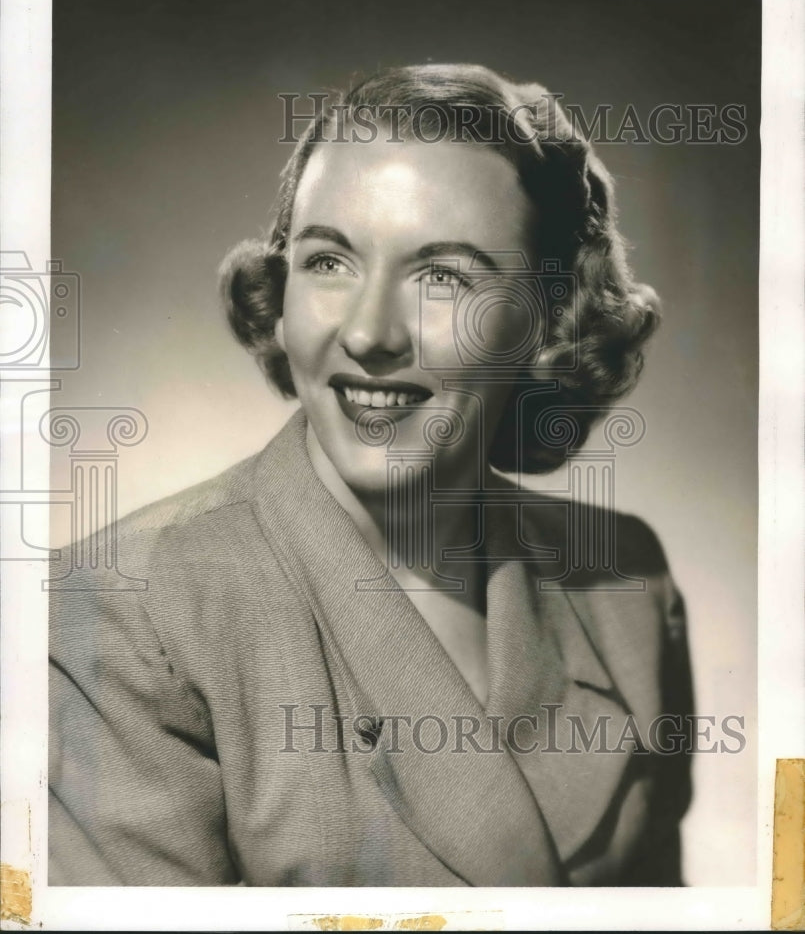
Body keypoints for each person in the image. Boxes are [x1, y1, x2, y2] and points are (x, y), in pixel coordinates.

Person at [49, 64, 694, 887]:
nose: (368, 332)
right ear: (279, 298)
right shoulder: (117, 612)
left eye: (442, 275)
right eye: (329, 262)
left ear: (545, 318)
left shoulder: (627, 582)